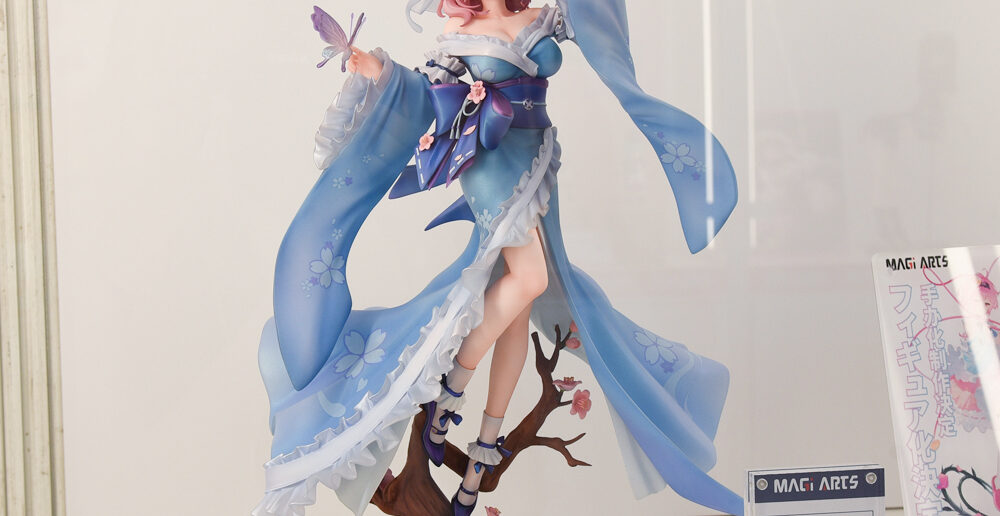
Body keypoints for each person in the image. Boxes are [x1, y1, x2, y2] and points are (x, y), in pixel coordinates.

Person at [254, 1, 742, 515]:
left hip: (538, 162)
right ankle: (448, 395)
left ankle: (481, 457)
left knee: (518, 312)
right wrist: (380, 71)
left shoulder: (544, 16)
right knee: (530, 279)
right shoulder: (460, 28)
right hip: (491, 166)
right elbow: (428, 93)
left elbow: (596, 21)